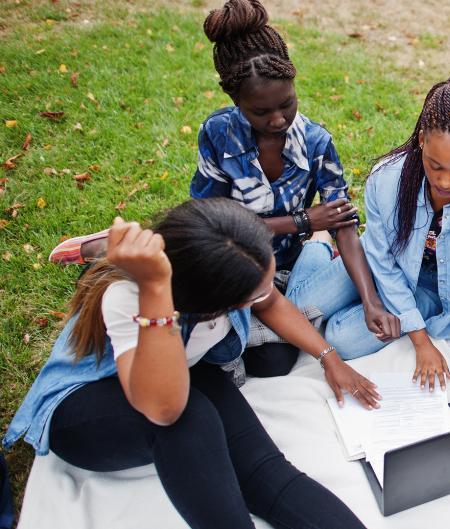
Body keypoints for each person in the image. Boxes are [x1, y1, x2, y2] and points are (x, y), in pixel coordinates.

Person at [48, 0, 399, 377]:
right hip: (230, 269)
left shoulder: (317, 143)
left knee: (277, 359)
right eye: (261, 113)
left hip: (285, 268)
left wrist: (370, 301)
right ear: (235, 102)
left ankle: (308, 270)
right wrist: (302, 220)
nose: (278, 119)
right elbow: (212, 226)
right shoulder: (218, 135)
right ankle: (117, 244)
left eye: (287, 104)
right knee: (267, 357)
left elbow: (343, 224)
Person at [5, 199, 378, 529]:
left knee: (266, 473)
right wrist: (154, 292)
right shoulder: (129, 296)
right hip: (86, 407)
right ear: (209, 302)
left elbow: (272, 302)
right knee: (190, 420)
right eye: (252, 294)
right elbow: (164, 410)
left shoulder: (226, 260)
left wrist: (328, 358)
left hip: (180, 369)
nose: (264, 296)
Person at [288, 78, 450, 391]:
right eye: (435, 166)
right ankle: (319, 244)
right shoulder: (386, 178)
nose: (446, 181)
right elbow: (382, 261)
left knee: (341, 337)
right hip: (378, 265)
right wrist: (421, 342)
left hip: (432, 288)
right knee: (298, 307)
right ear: (422, 139)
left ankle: (333, 269)